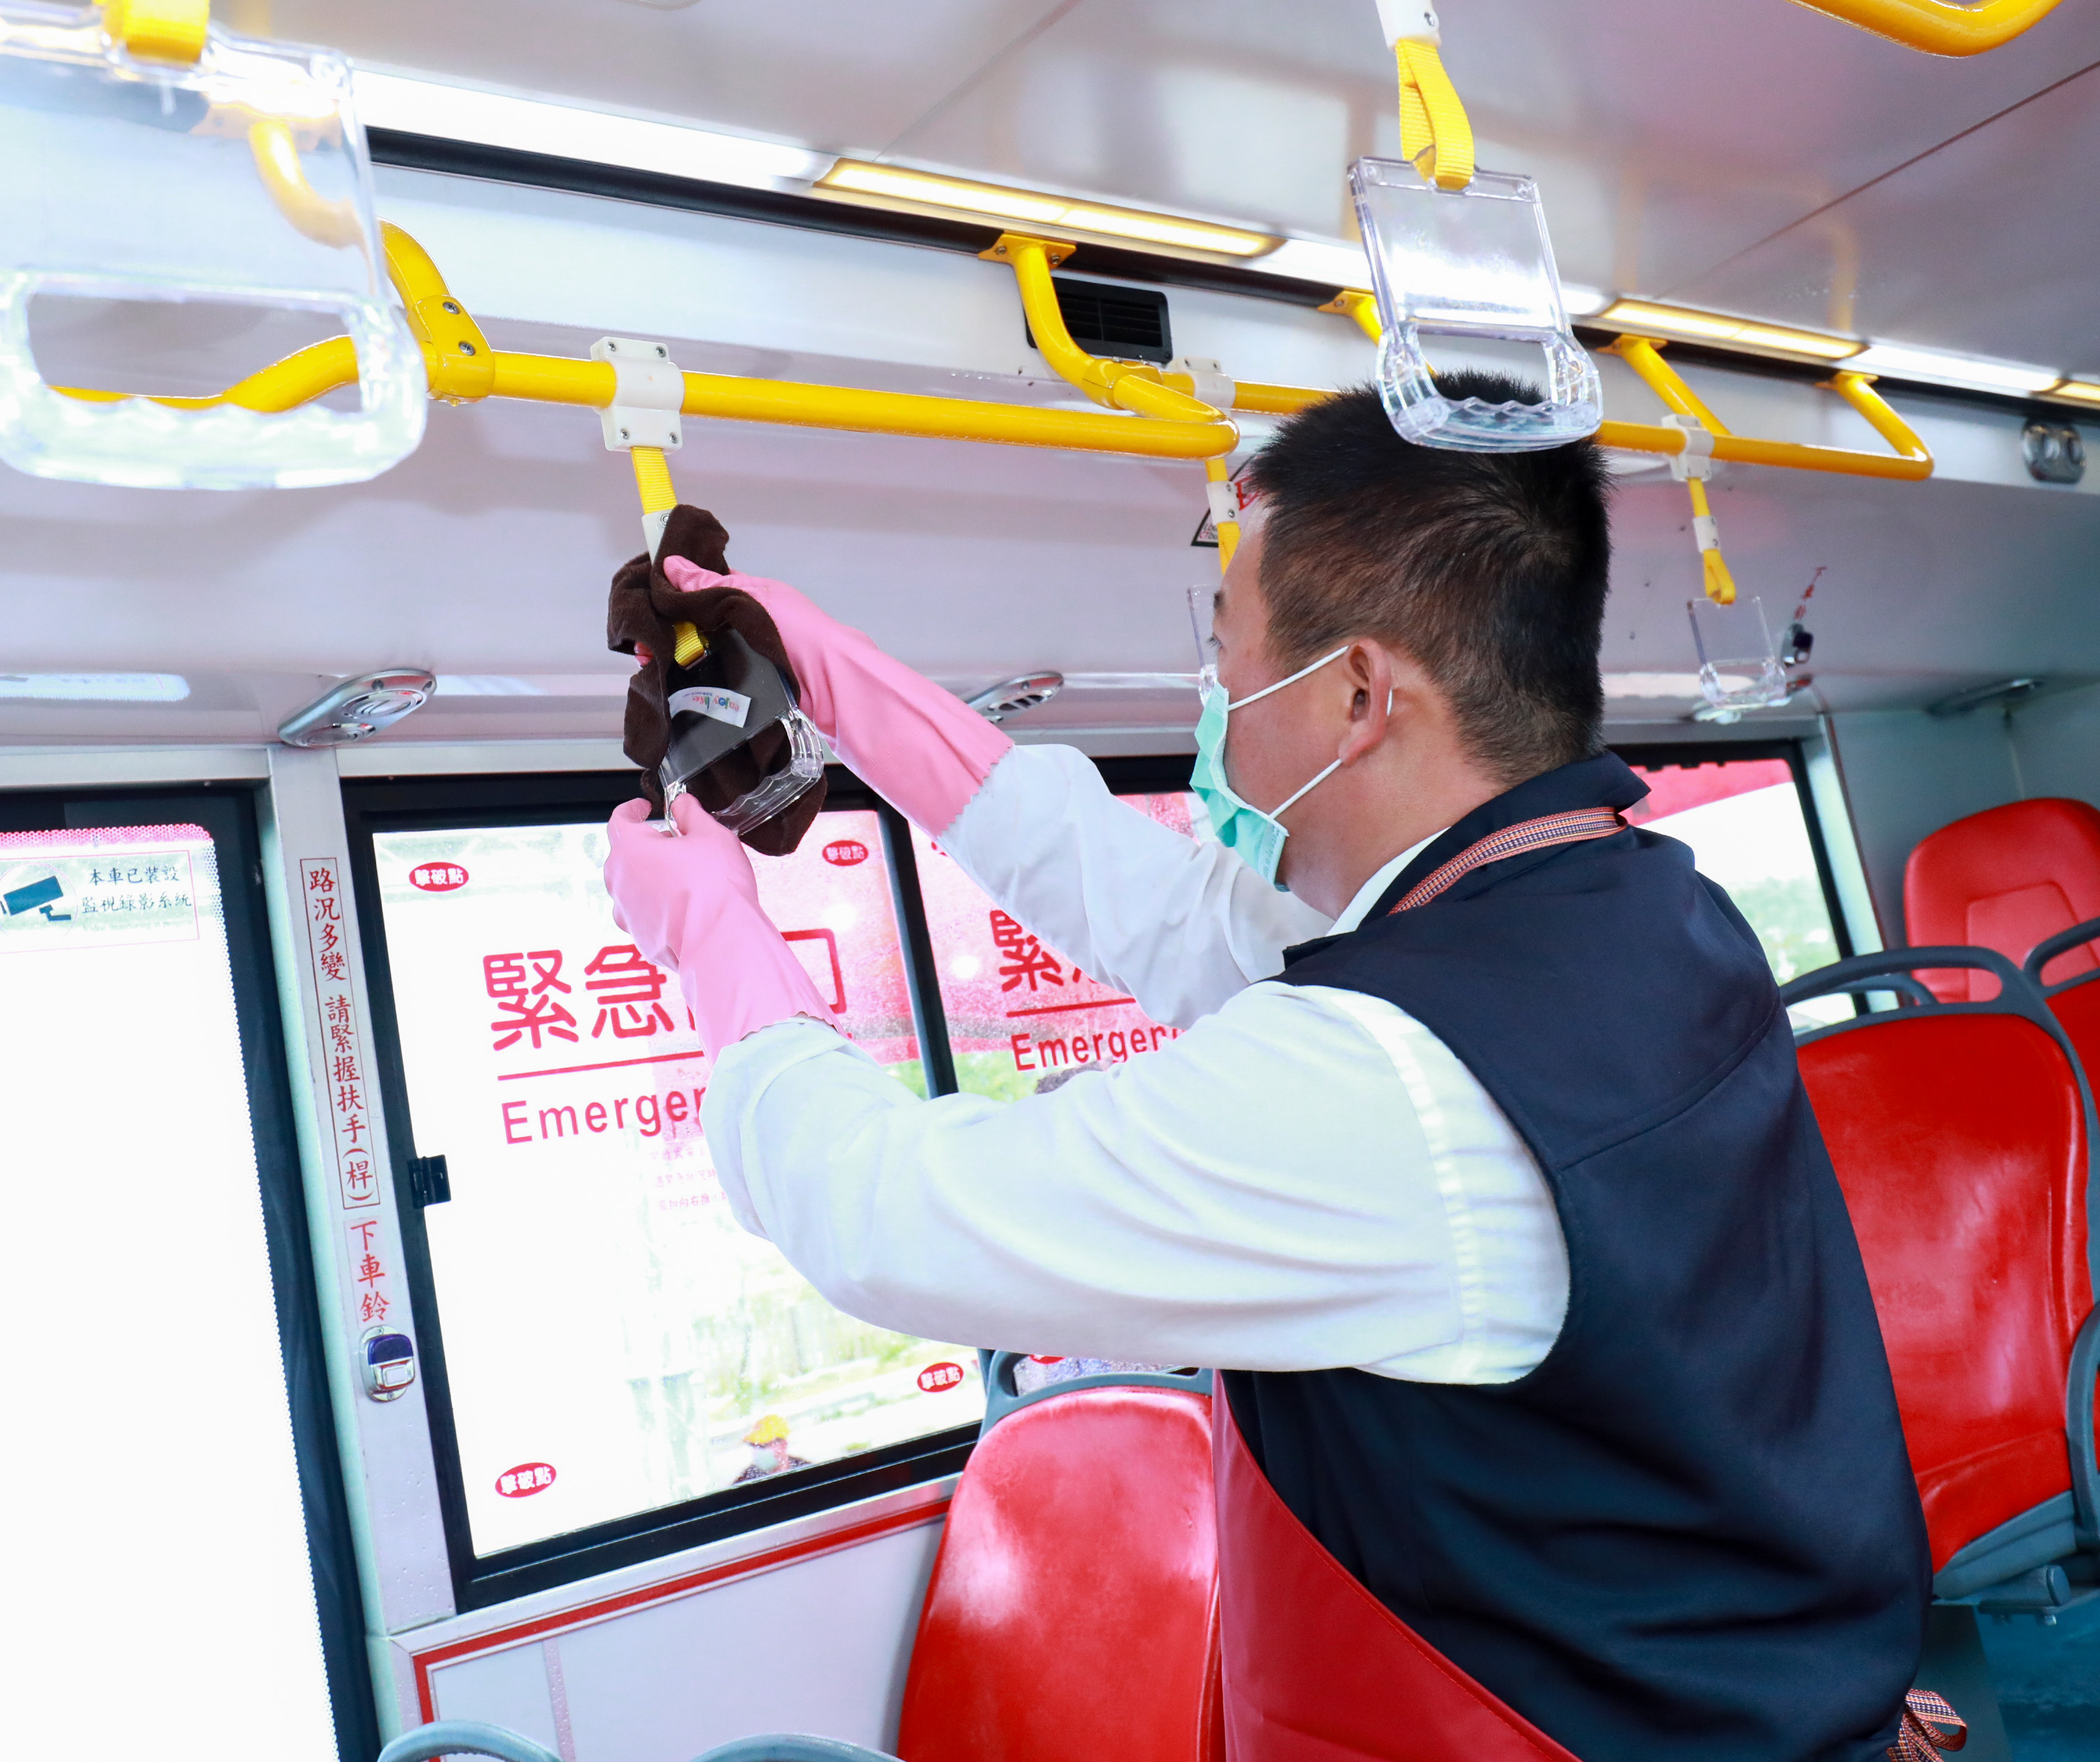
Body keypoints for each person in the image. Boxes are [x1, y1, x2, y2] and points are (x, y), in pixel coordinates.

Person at [603, 374, 1932, 1761]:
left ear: (1356, 692)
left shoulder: (1391, 1082)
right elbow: (1159, 907)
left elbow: (885, 1214)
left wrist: (711, 934)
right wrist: (828, 676)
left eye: (1225, 649)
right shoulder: (1635, 908)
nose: (1218, 693)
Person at [731, 1413, 808, 1483]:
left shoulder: (805, 1470)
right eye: (753, 1446)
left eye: (763, 1446)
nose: (757, 1451)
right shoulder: (746, 1481)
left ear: (783, 1445)